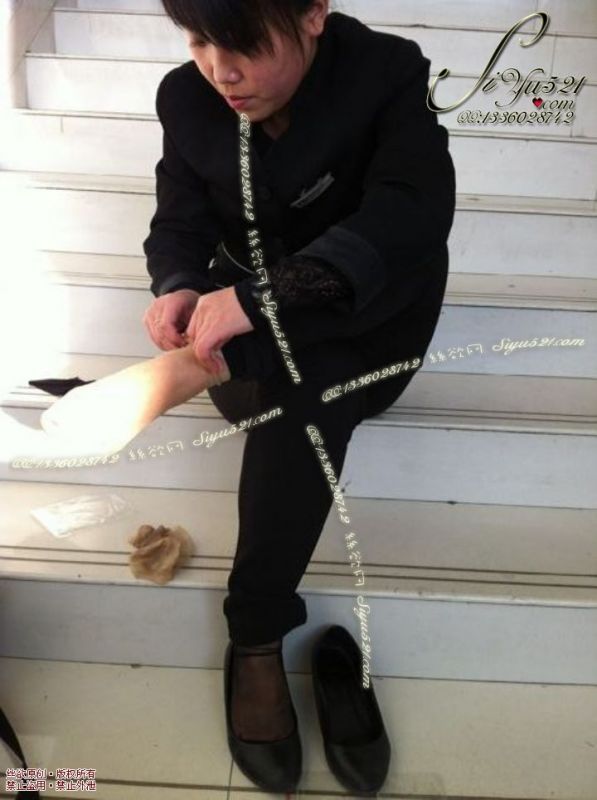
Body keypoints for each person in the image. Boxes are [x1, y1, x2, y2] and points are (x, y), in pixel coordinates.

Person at [45, 0, 455, 791]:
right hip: (239, 340)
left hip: (369, 332)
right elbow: (179, 219)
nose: (219, 70)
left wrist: (259, 300)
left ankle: (256, 634)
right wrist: (176, 284)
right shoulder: (186, 95)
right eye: (199, 40)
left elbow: (410, 212)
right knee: (296, 381)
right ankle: (201, 364)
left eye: (241, 43)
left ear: (312, 13)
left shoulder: (384, 72)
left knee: (319, 381)